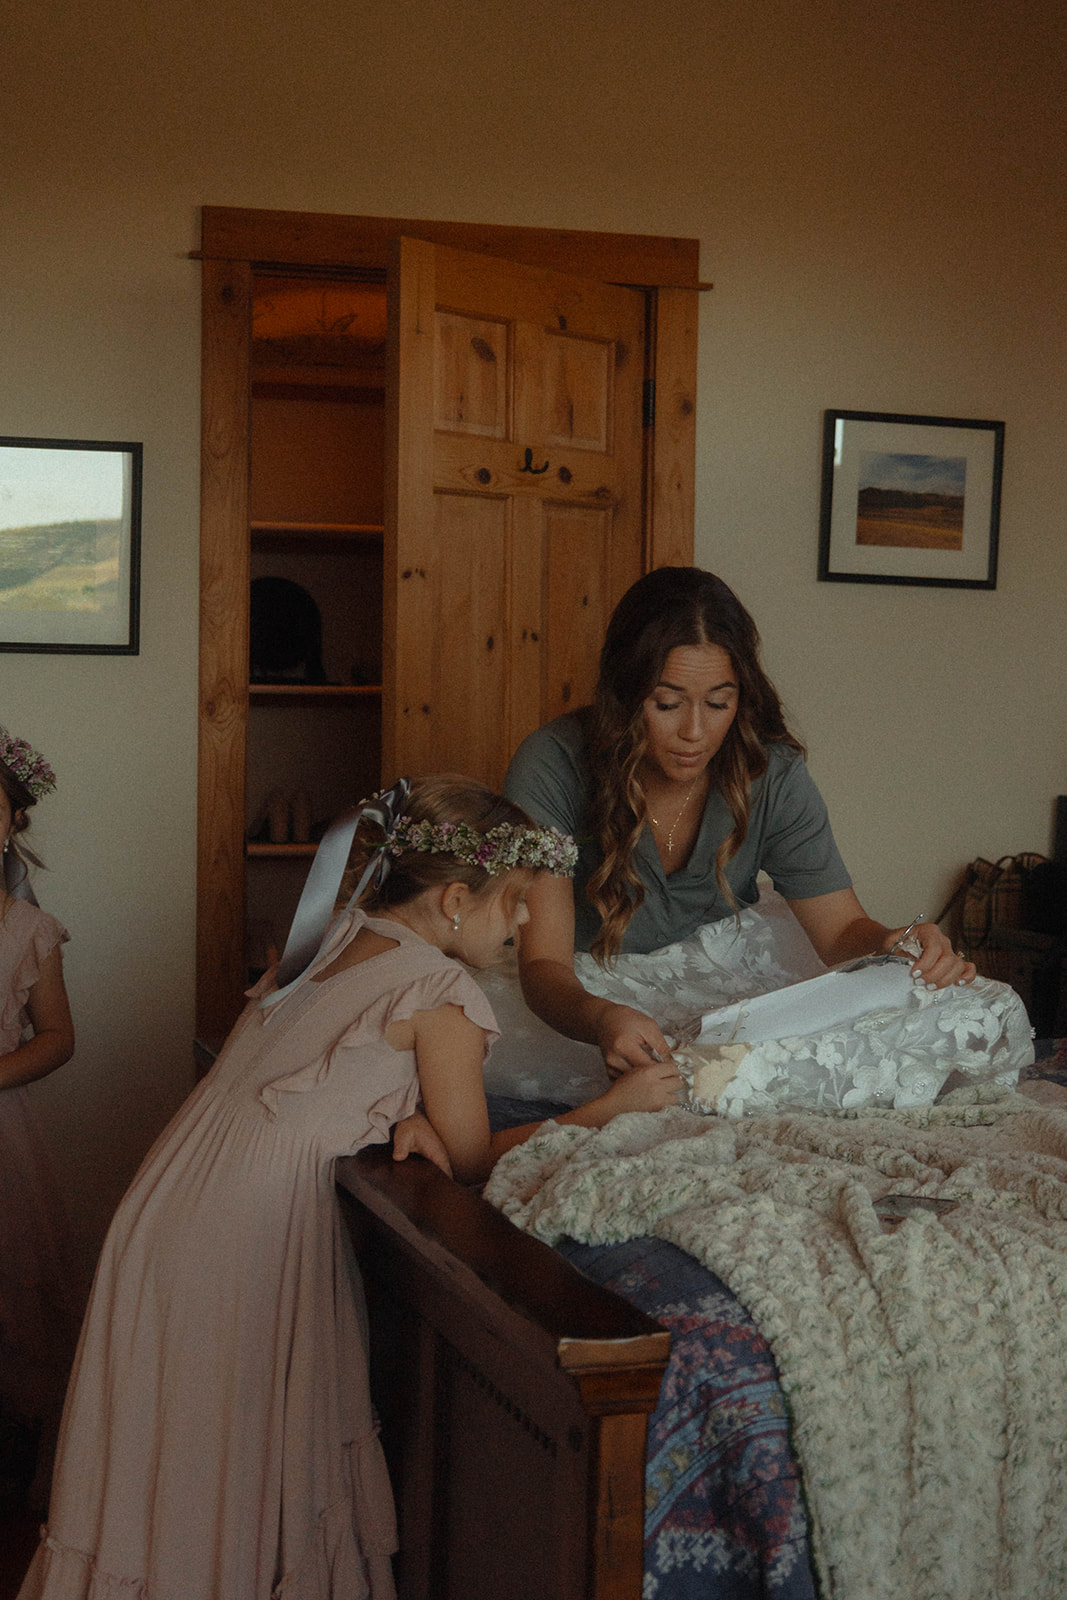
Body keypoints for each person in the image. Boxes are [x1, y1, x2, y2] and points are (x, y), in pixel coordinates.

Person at [20, 775, 679, 1600]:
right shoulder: (441, 993)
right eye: (513, 901)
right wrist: (607, 1108)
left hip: (171, 1200)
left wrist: (411, 1123)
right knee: (241, 1447)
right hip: (250, 1228)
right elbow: (474, 1162)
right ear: (451, 902)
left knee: (177, 1448)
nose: (522, 923)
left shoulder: (336, 934)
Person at [503, 567, 1030, 1111]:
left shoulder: (769, 770)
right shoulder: (553, 764)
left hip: (730, 976)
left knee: (973, 1006)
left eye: (718, 702)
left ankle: (729, 1074)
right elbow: (543, 966)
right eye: (666, 703)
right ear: (624, 693)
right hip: (591, 993)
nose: (694, 732)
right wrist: (603, 1018)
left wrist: (896, 941)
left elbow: (841, 930)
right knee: (676, 1073)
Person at [0, 727, 77, 1511]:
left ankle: (16, 1455)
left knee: (11, 1301)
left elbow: (58, 1037)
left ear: (13, 823)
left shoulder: (28, 931)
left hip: (2, 1140)